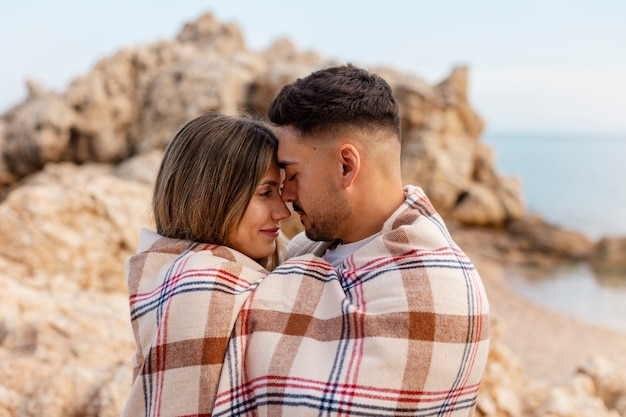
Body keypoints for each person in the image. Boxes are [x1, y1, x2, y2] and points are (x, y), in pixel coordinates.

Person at [212, 64, 490, 416]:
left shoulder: (443, 286)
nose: (287, 193)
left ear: (346, 165)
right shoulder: (301, 250)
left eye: (293, 174)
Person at [120, 112, 291, 417]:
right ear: (215, 196)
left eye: (280, 192)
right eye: (265, 193)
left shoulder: (271, 265)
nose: (282, 211)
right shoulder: (198, 287)